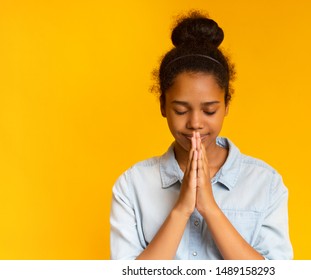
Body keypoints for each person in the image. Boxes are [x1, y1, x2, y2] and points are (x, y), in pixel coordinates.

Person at [110, 11, 293, 260]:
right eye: (181, 110)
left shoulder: (266, 184)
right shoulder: (132, 186)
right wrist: (182, 209)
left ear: (227, 104)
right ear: (163, 106)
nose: (195, 123)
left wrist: (210, 209)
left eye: (209, 110)